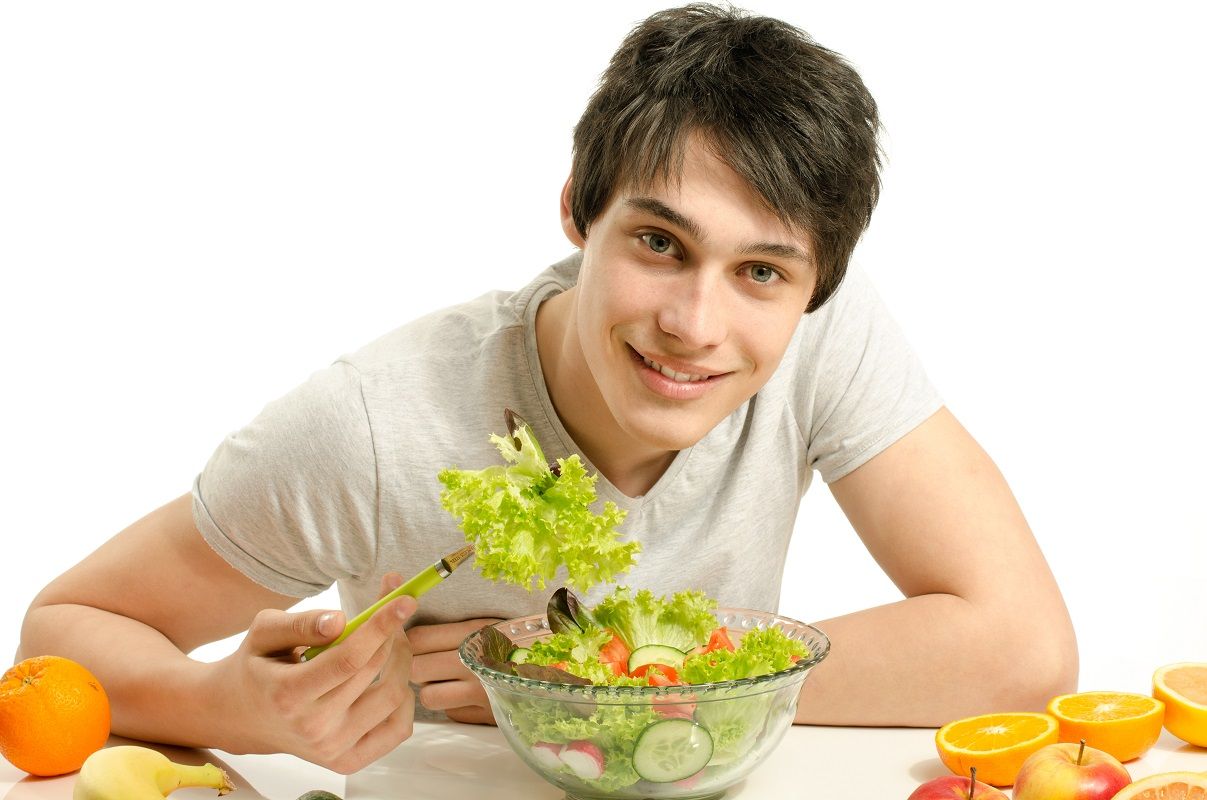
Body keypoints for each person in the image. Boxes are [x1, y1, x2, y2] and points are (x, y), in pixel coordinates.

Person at [17, 3, 1077, 774]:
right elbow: (62, 626)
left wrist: (591, 686)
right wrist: (232, 703)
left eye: (761, 270)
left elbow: (1021, 649)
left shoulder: (822, 334)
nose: (695, 325)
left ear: (812, 285)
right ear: (578, 210)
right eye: (659, 242)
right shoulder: (377, 424)